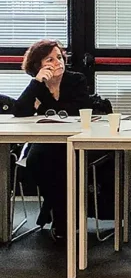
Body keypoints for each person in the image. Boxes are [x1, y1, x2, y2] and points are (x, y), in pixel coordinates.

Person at [13, 39, 90, 240]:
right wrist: (35, 83)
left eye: (59, 57)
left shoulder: (76, 79)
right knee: (35, 160)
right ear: (38, 65)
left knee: (62, 162)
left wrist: (45, 107)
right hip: (47, 139)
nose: (58, 62)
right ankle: (58, 209)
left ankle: (59, 213)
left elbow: (80, 108)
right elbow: (20, 111)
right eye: (50, 59)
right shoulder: (38, 84)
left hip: (75, 138)